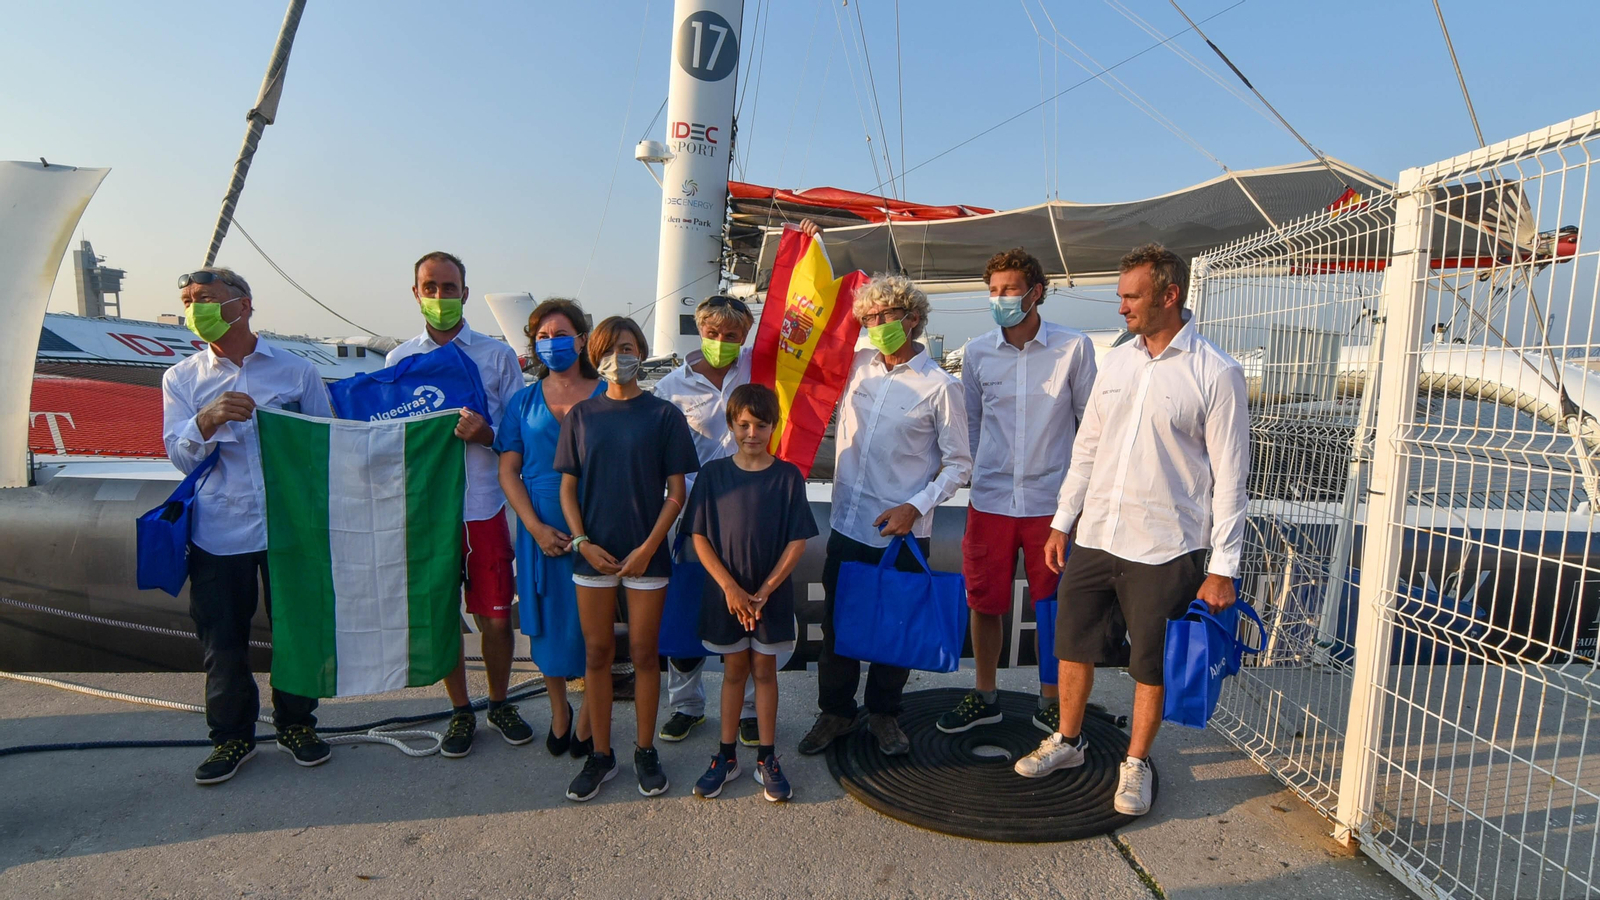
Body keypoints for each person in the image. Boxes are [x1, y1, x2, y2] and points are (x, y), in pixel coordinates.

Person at [1017, 243, 1249, 819]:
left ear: (1169, 295)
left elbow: (1231, 478)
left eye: (1131, 297)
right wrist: (1062, 521)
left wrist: (1223, 567)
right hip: (1097, 535)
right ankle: (1069, 741)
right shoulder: (1116, 362)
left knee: (1150, 662)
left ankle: (1136, 762)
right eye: (1121, 296)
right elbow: (1087, 449)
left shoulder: (1216, 372)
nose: (1121, 307)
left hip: (1166, 545)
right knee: (1072, 644)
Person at [794, 222, 973, 758]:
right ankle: (835, 712)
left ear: (912, 318)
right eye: (868, 319)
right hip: (849, 524)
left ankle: (885, 715)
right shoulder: (855, 368)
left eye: (884, 317)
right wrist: (811, 249)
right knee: (839, 627)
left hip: (902, 532)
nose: (875, 326)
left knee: (895, 629)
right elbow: (807, 332)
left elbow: (959, 465)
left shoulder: (941, 386)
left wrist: (914, 507)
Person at [160, 266, 335, 785]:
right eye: (189, 301)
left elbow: (327, 443)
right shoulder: (182, 379)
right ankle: (231, 737)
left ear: (243, 305)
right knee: (222, 641)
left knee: (296, 632)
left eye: (206, 298)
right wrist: (206, 420)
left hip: (288, 527)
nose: (196, 309)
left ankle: (297, 725)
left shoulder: (296, 371)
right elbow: (180, 457)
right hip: (219, 529)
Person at [935, 249, 1096, 736]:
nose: (999, 299)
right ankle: (985, 695)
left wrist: (1078, 501)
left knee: (1053, 606)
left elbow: (1091, 427)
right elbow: (972, 424)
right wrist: (977, 473)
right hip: (990, 501)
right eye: (993, 290)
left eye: (1009, 289)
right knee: (984, 601)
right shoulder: (978, 353)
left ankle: (1051, 699)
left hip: (1052, 504)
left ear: (1036, 292)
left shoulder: (1074, 347)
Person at [386, 251, 532, 758]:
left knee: (496, 617)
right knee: (443, 616)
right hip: (430, 509)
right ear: (416, 293)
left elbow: (519, 434)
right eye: (430, 287)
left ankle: (500, 702)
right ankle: (460, 710)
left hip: (485, 505)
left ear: (465, 293)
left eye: (449, 288)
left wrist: (487, 434)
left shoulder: (497, 355)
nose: (440, 296)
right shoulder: (400, 360)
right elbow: (389, 437)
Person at [556, 316, 700, 801]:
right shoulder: (581, 416)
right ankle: (601, 754)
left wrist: (649, 546)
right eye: (608, 349)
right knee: (596, 654)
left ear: (641, 350)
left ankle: (644, 749)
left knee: (643, 653)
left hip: (647, 555)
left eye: (627, 347)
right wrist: (581, 542)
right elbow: (568, 488)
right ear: (594, 356)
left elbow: (676, 492)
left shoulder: (664, 415)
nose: (618, 357)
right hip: (592, 555)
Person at [686, 384, 818, 801]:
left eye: (761, 425)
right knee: (733, 671)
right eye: (743, 425)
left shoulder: (787, 477)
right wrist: (730, 587)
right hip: (726, 594)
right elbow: (699, 535)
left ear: (774, 427)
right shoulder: (713, 475)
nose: (752, 433)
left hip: (769, 595)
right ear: (731, 425)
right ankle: (726, 755)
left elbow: (797, 541)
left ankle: (766, 756)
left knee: (764, 671)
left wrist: (763, 591)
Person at [495, 298, 603, 759]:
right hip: (539, 524)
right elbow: (508, 471)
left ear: (581, 340)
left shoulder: (608, 393)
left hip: (595, 522)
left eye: (561, 334)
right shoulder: (523, 401)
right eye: (542, 336)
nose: (552, 343)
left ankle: (588, 715)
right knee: (544, 623)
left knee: (591, 625)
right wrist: (535, 528)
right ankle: (560, 710)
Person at [651, 295, 759, 746]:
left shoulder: (760, 370)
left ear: (745, 336)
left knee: (750, 608)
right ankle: (686, 706)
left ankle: (750, 709)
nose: (721, 341)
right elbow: (658, 455)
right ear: (700, 331)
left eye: (731, 335)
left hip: (750, 507)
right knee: (687, 606)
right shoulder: (670, 387)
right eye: (713, 333)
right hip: (692, 512)